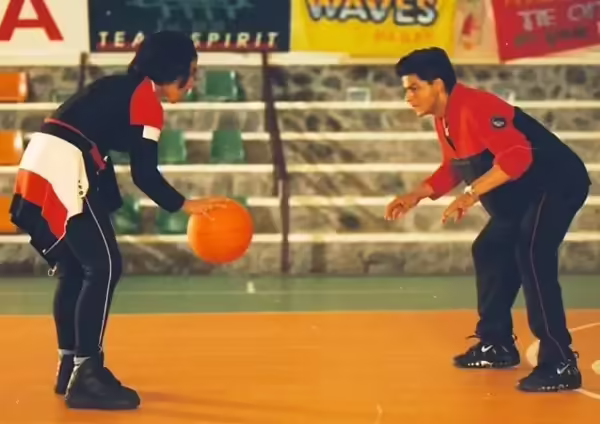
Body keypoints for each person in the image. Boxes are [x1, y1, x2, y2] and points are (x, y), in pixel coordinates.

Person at [9, 30, 229, 410]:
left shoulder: (116, 86)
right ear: (172, 69)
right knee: (105, 265)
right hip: (64, 163)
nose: (193, 82)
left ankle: (70, 366)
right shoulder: (146, 99)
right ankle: (88, 375)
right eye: (191, 73)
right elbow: (145, 173)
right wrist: (184, 204)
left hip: (38, 161)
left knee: (75, 269)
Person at [384, 47, 591, 392]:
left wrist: (471, 194)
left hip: (556, 184)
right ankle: (497, 344)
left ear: (438, 84)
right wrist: (415, 195)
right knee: (490, 250)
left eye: (414, 88)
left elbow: (518, 156)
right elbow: (454, 166)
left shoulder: (476, 106)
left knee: (531, 253)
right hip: (526, 192)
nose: (408, 97)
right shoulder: (445, 119)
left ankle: (560, 363)